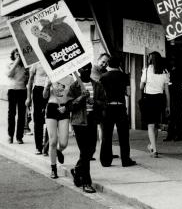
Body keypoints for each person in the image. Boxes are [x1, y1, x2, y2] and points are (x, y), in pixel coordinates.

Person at [67, 63, 106, 193]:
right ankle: (86, 182)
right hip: (79, 122)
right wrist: (81, 98)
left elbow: (103, 103)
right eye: (84, 69)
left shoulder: (97, 85)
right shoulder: (74, 87)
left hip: (92, 120)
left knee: (91, 150)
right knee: (84, 151)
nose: (87, 71)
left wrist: (93, 102)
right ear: (79, 70)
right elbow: (69, 106)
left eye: (89, 69)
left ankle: (77, 170)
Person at [100, 56, 136, 167]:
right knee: (124, 136)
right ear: (119, 64)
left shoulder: (103, 77)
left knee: (106, 135)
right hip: (120, 107)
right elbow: (128, 93)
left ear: (108, 64)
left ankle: (106, 161)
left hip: (108, 107)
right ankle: (125, 160)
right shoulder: (124, 76)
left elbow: (101, 94)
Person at [43, 74, 75, 179]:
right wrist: (47, 86)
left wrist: (66, 108)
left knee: (63, 143)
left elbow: (71, 97)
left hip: (63, 110)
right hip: (52, 107)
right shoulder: (50, 76)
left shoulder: (70, 78)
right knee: (52, 141)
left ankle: (59, 151)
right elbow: (44, 96)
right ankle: (53, 169)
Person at [140, 51, 170, 158]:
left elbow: (141, 87)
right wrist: (168, 106)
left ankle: (154, 150)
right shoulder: (165, 71)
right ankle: (153, 146)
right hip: (160, 99)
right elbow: (167, 91)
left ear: (150, 60)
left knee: (150, 125)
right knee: (156, 124)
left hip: (149, 98)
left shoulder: (146, 71)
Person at [6, 49, 28, 144]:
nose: (18, 55)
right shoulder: (10, 64)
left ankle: (19, 137)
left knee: (22, 115)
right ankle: (10, 135)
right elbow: (9, 74)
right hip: (12, 90)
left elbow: (28, 78)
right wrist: (16, 62)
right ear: (13, 55)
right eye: (16, 54)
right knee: (11, 114)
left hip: (22, 90)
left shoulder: (25, 66)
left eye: (20, 54)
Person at [25, 62, 48, 154]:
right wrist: (28, 97)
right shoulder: (36, 63)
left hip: (51, 90)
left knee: (50, 118)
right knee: (38, 120)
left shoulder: (52, 59)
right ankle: (38, 146)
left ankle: (47, 146)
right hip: (38, 90)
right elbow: (30, 80)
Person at [164, 57, 182, 141]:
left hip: (177, 94)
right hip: (176, 94)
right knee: (175, 116)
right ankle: (174, 134)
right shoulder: (180, 70)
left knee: (176, 116)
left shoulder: (176, 70)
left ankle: (176, 134)